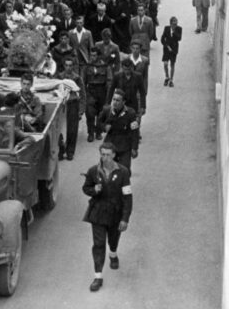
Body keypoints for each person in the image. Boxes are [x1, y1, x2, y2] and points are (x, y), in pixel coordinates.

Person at [82, 141, 133, 292]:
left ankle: (113, 253)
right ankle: (98, 277)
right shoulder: (93, 171)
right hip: (97, 213)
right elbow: (86, 188)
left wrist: (125, 218)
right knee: (98, 244)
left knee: (113, 239)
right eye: (102, 154)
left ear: (114, 155)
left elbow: (128, 197)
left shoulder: (123, 172)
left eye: (108, 155)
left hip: (115, 213)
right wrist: (94, 190)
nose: (105, 158)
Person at [98, 89, 139, 169]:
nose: (115, 102)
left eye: (118, 100)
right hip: (109, 146)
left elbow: (135, 132)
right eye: (114, 99)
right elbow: (98, 122)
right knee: (105, 170)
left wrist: (134, 148)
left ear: (123, 102)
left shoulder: (131, 113)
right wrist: (104, 127)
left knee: (125, 170)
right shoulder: (107, 110)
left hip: (124, 146)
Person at [58, 58, 85, 160]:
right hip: (62, 105)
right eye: (66, 65)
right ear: (64, 66)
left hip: (73, 105)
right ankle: (61, 151)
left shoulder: (77, 78)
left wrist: (81, 110)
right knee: (60, 129)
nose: (68, 67)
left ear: (73, 66)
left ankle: (70, 151)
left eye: (70, 65)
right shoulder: (60, 77)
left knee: (72, 130)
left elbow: (82, 94)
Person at [83, 47, 109, 143]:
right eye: (91, 55)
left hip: (102, 90)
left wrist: (108, 95)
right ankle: (90, 133)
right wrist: (85, 93)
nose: (92, 57)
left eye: (94, 55)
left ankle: (98, 132)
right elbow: (83, 81)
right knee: (89, 113)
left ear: (98, 56)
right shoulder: (87, 66)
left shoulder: (104, 66)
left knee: (100, 113)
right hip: (91, 91)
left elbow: (109, 80)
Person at [161, 16, 183, 87]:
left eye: (176, 22)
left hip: (174, 49)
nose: (175, 23)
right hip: (166, 49)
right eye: (173, 22)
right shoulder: (166, 28)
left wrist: (174, 32)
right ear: (170, 23)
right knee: (165, 64)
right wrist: (166, 46)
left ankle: (171, 80)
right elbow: (162, 39)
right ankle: (167, 77)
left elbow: (179, 38)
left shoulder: (179, 29)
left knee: (172, 65)